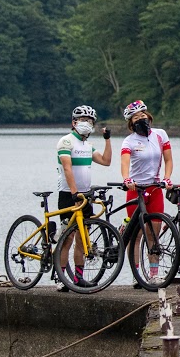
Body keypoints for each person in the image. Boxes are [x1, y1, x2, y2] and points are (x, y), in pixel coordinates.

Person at [54, 105, 112, 291]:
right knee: (68, 238)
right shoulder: (66, 142)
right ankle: (61, 278)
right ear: (74, 122)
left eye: (89, 121)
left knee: (82, 239)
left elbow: (106, 161)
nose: (86, 124)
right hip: (68, 195)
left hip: (86, 196)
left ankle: (78, 278)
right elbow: (67, 168)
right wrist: (74, 193)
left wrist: (108, 140)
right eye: (83, 120)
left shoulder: (88, 146)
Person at [120, 99, 173, 284]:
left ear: (148, 116)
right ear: (131, 123)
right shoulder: (129, 141)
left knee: (154, 234)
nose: (141, 118)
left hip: (155, 187)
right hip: (136, 190)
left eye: (143, 115)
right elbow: (125, 163)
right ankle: (136, 275)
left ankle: (153, 274)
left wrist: (166, 178)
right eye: (136, 117)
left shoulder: (160, 135)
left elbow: (168, 160)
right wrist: (127, 179)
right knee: (136, 235)